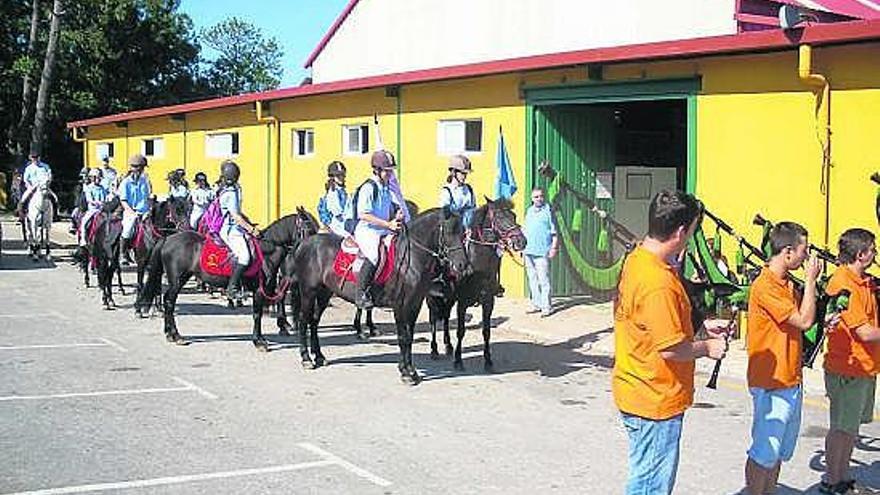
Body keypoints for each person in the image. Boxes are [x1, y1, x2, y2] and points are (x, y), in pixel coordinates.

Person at [612, 190, 730, 495]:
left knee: (645, 476)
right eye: (692, 231)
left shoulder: (639, 259)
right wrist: (707, 348)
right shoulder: (658, 282)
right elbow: (669, 348)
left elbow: (651, 322)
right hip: (655, 399)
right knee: (651, 486)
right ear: (680, 232)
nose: (690, 238)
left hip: (637, 388)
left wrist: (701, 325)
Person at [744, 222, 820, 495]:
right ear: (788, 252)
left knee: (777, 452)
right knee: (764, 451)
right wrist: (811, 280)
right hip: (771, 381)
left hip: (790, 378)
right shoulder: (765, 286)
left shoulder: (788, 284)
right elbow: (803, 320)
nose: (807, 257)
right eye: (804, 250)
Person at [820, 228, 880, 495]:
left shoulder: (862, 281)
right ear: (860, 254)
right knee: (842, 429)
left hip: (863, 367)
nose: (876, 254)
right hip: (848, 369)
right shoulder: (843, 284)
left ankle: (841, 478)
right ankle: (832, 481)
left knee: (850, 429)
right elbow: (864, 332)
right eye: (873, 250)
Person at [352, 150, 405, 309]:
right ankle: (361, 293)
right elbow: (363, 214)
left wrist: (397, 213)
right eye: (387, 171)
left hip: (383, 228)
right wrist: (388, 224)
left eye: (391, 171)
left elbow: (387, 209)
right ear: (377, 170)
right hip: (367, 230)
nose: (390, 174)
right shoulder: (368, 187)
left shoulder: (386, 187)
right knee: (374, 255)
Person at [217, 160, 260, 303]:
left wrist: (248, 222)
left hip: (236, 227)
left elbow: (239, 213)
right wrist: (251, 229)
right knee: (245, 257)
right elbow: (235, 216)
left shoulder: (232, 189)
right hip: (230, 230)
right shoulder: (230, 193)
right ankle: (232, 288)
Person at [523, 188, 558, 317]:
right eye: (536, 197)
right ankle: (536, 304)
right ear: (532, 199)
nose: (539, 199)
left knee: (543, 280)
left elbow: (555, 232)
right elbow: (525, 230)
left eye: (540, 196)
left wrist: (553, 247)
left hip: (542, 251)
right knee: (532, 279)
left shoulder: (548, 211)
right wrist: (522, 249)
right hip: (528, 250)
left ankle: (546, 307)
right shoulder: (529, 211)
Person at [117, 154, 153, 265]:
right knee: (128, 229)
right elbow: (123, 200)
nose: (140, 170)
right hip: (131, 211)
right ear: (132, 168)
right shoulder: (125, 182)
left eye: (142, 167)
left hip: (145, 211)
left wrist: (149, 209)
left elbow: (148, 197)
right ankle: (123, 253)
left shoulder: (145, 181)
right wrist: (132, 212)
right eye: (138, 167)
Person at [439, 155, 476, 228]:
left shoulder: (469, 190)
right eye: (462, 173)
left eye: (466, 174)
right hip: (453, 231)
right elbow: (445, 215)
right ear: (453, 172)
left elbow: (474, 210)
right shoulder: (447, 191)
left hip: (469, 231)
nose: (465, 176)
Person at [19, 150, 56, 218]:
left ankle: (55, 214)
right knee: (23, 199)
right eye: (33, 157)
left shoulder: (45, 166)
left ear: (39, 157)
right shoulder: (29, 168)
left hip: (43, 186)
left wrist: (48, 183)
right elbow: (25, 179)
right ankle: (22, 215)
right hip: (32, 186)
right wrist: (30, 186)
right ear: (31, 158)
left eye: (36, 157)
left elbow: (49, 176)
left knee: (54, 198)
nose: (35, 159)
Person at [320, 161, 350, 238]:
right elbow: (338, 212)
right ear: (332, 177)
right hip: (337, 225)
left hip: (343, 222)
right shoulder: (332, 192)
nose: (341, 177)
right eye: (338, 176)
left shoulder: (342, 191)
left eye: (342, 175)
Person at [78, 168, 108, 246]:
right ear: (93, 178)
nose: (99, 180)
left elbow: (105, 197)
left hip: (102, 209)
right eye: (98, 178)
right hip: (93, 209)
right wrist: (97, 203)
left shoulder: (102, 188)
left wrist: (105, 202)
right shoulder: (89, 188)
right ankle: (83, 239)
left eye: (100, 178)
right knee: (84, 222)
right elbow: (89, 200)